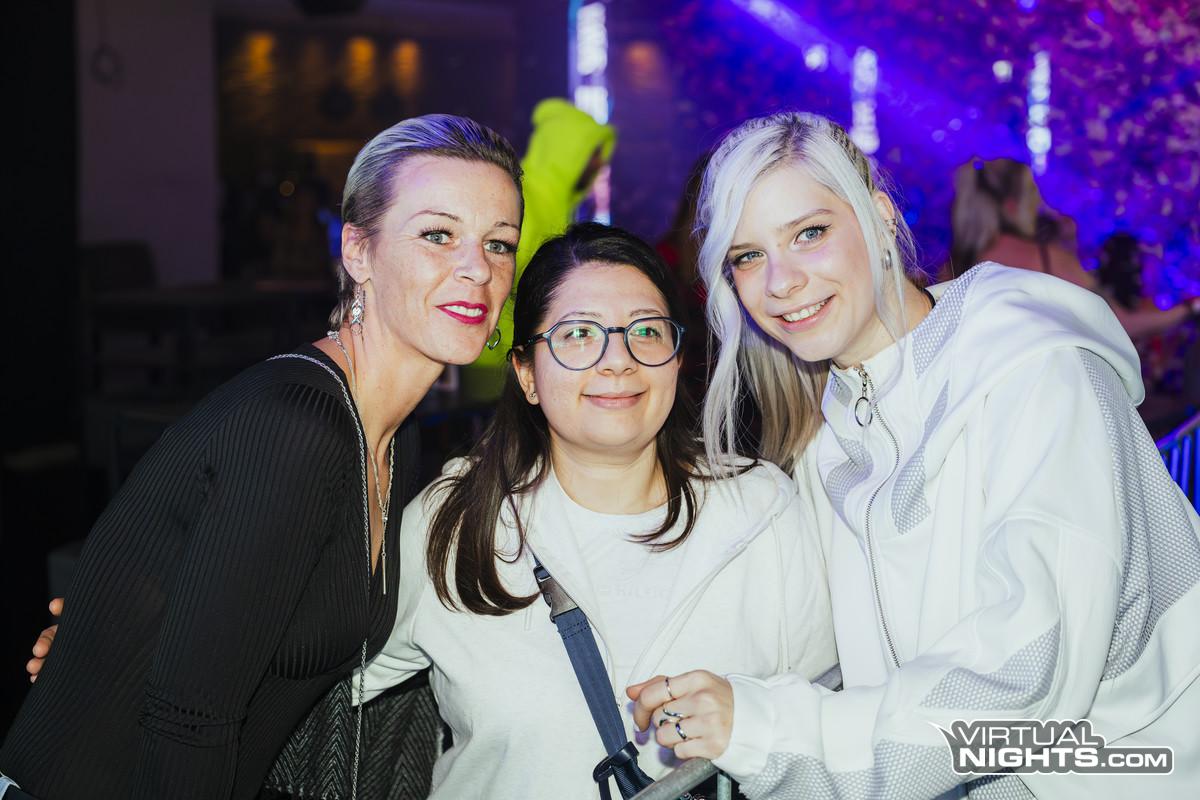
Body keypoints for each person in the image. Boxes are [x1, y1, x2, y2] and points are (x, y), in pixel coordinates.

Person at [628, 112, 1200, 798]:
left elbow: (1027, 681)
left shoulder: (1036, 372)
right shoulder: (829, 434)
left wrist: (769, 730)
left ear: (879, 216)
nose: (779, 281)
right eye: (747, 256)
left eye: (809, 233)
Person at [1, 114, 524, 800]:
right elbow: (190, 720)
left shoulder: (394, 437)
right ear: (358, 252)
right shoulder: (298, 427)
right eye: (438, 235)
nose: (477, 268)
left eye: (498, 243)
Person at [357, 222, 837, 799]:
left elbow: (830, 725)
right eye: (579, 334)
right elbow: (329, 690)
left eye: (646, 331)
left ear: (677, 360)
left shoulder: (761, 511)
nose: (618, 361)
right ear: (527, 374)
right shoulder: (458, 522)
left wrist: (757, 722)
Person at [462, 98, 617, 401]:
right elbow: (495, 276)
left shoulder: (557, 201)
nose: (599, 164)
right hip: (494, 359)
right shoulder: (522, 198)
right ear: (567, 150)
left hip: (523, 356)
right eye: (592, 153)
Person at [949, 157, 1200, 340]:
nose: (1040, 206)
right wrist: (1190, 308)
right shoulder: (1046, 259)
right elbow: (1119, 324)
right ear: (1012, 205)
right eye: (1034, 196)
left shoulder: (953, 266)